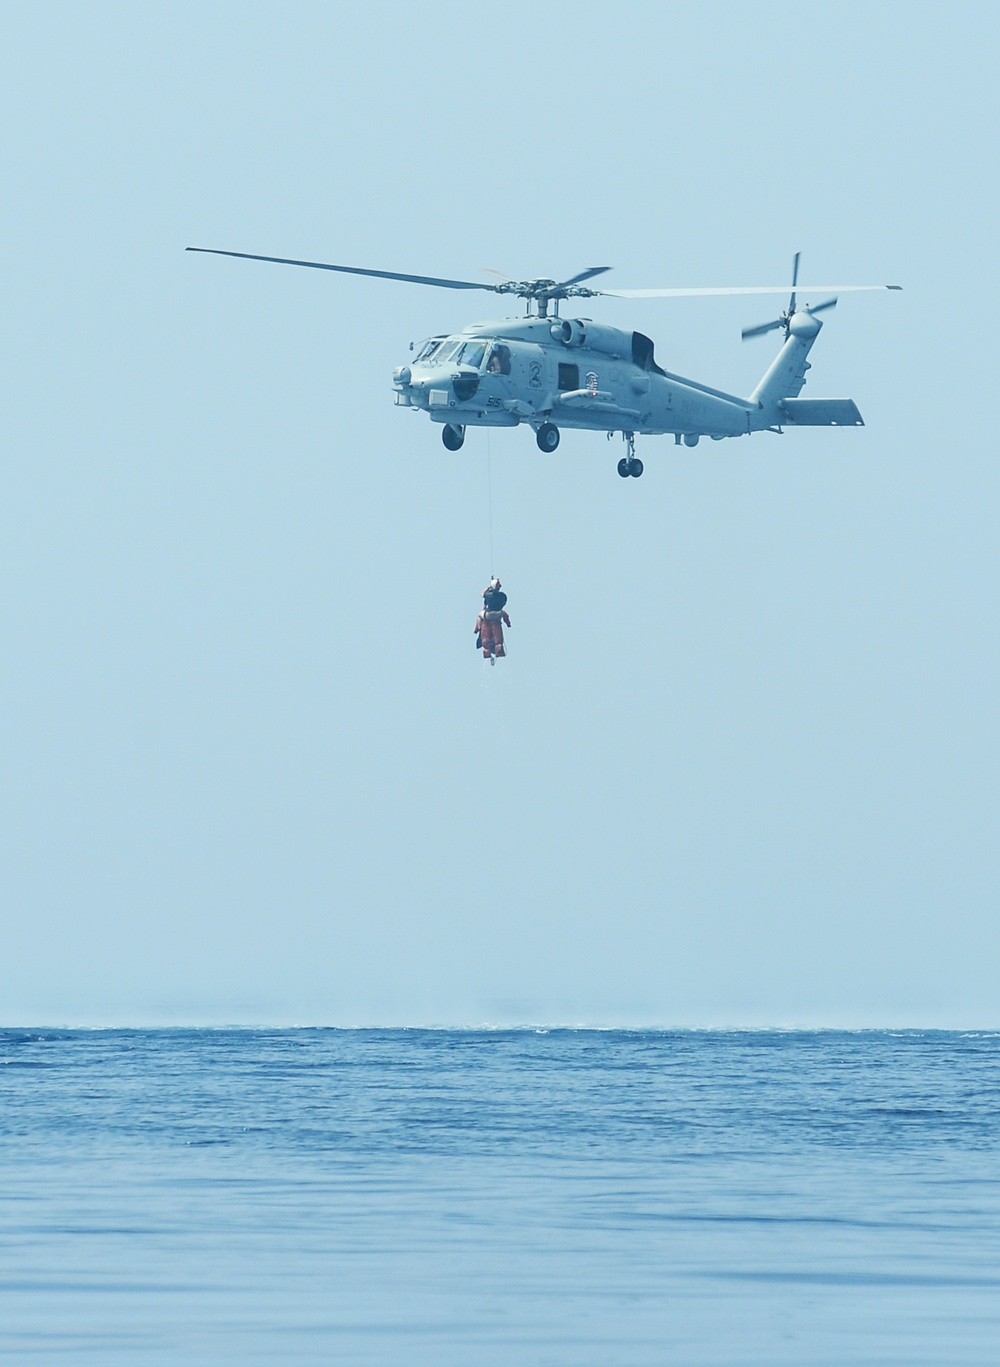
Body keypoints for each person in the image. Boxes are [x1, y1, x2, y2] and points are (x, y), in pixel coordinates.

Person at [475, 578, 511, 663]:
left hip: (488, 615)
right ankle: (508, 624)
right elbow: (504, 602)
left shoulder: (488, 595)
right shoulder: (502, 595)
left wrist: (488, 587)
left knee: (479, 615)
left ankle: (477, 629)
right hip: (498, 614)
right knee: (504, 614)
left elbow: (482, 594)